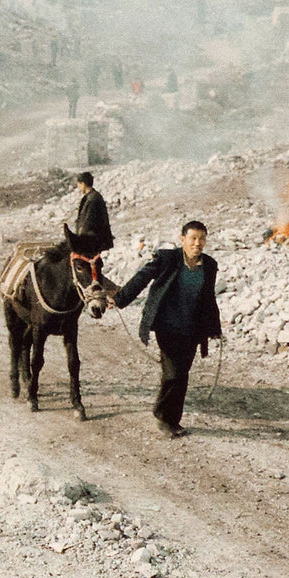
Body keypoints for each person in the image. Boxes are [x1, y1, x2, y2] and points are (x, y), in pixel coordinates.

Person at [111, 220, 222, 438]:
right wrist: (120, 299)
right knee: (173, 373)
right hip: (167, 325)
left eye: (202, 239)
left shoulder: (209, 265)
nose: (198, 243)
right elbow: (142, 278)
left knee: (182, 374)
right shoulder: (168, 259)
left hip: (192, 328)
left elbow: (209, 298)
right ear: (183, 240)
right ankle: (163, 416)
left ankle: (172, 419)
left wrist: (214, 327)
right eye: (193, 238)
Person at [75, 172, 113, 251]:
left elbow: (88, 221)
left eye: (79, 184)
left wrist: (81, 239)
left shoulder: (93, 198)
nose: (78, 186)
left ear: (83, 184)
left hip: (95, 241)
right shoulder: (92, 197)